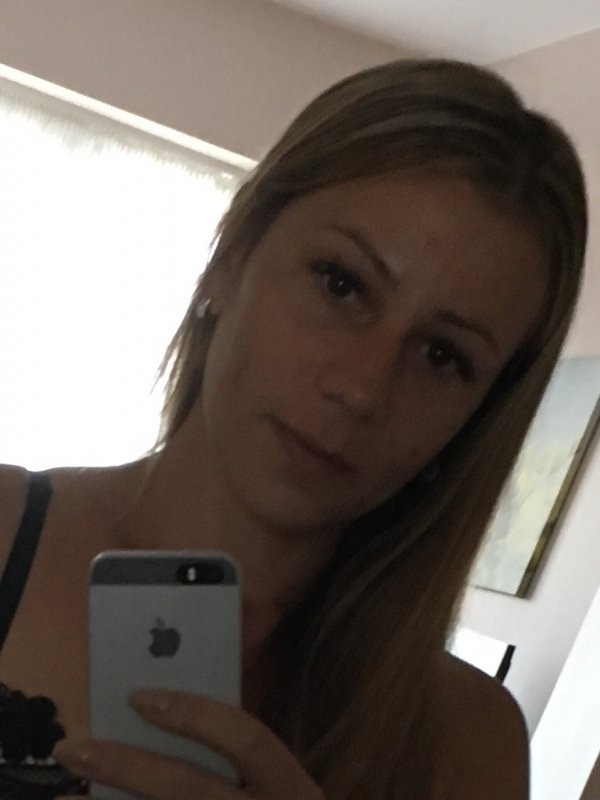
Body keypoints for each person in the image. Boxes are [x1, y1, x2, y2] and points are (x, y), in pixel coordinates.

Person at [0, 57, 587, 800]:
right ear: (229, 260)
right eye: (341, 284)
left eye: (443, 355)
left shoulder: (471, 742)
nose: (362, 388)